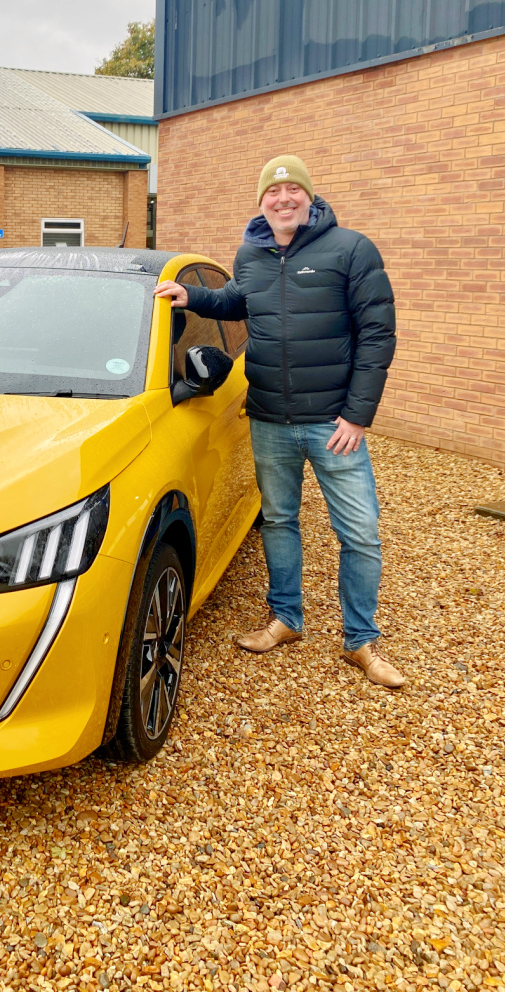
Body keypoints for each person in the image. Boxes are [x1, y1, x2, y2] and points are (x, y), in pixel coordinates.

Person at [154, 155, 404, 688]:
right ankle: (287, 618)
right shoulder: (252, 252)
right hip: (269, 418)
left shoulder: (351, 250)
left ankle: (361, 640)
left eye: (294, 190)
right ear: (262, 201)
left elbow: (378, 335)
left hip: (333, 424)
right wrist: (191, 296)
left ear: (310, 198)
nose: (283, 198)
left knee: (360, 533)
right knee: (279, 521)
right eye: (274, 191)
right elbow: (237, 301)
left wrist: (357, 416)